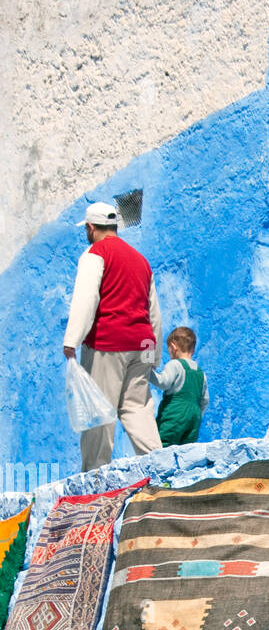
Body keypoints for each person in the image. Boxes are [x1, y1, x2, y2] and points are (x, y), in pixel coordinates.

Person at [63, 200, 163, 472]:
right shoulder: (141, 260)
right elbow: (153, 309)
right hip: (143, 344)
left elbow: (86, 297)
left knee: (99, 413)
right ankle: (160, 468)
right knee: (138, 409)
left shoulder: (96, 252)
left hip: (109, 343)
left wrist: (72, 339)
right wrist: (155, 356)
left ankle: (94, 478)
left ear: (91, 227)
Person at [150, 326, 209, 447]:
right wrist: (196, 414)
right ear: (192, 349)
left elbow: (163, 382)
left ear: (173, 347)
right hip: (194, 418)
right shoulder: (200, 372)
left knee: (162, 445)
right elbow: (205, 400)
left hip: (174, 414)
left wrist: (148, 372)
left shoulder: (175, 365)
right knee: (186, 450)